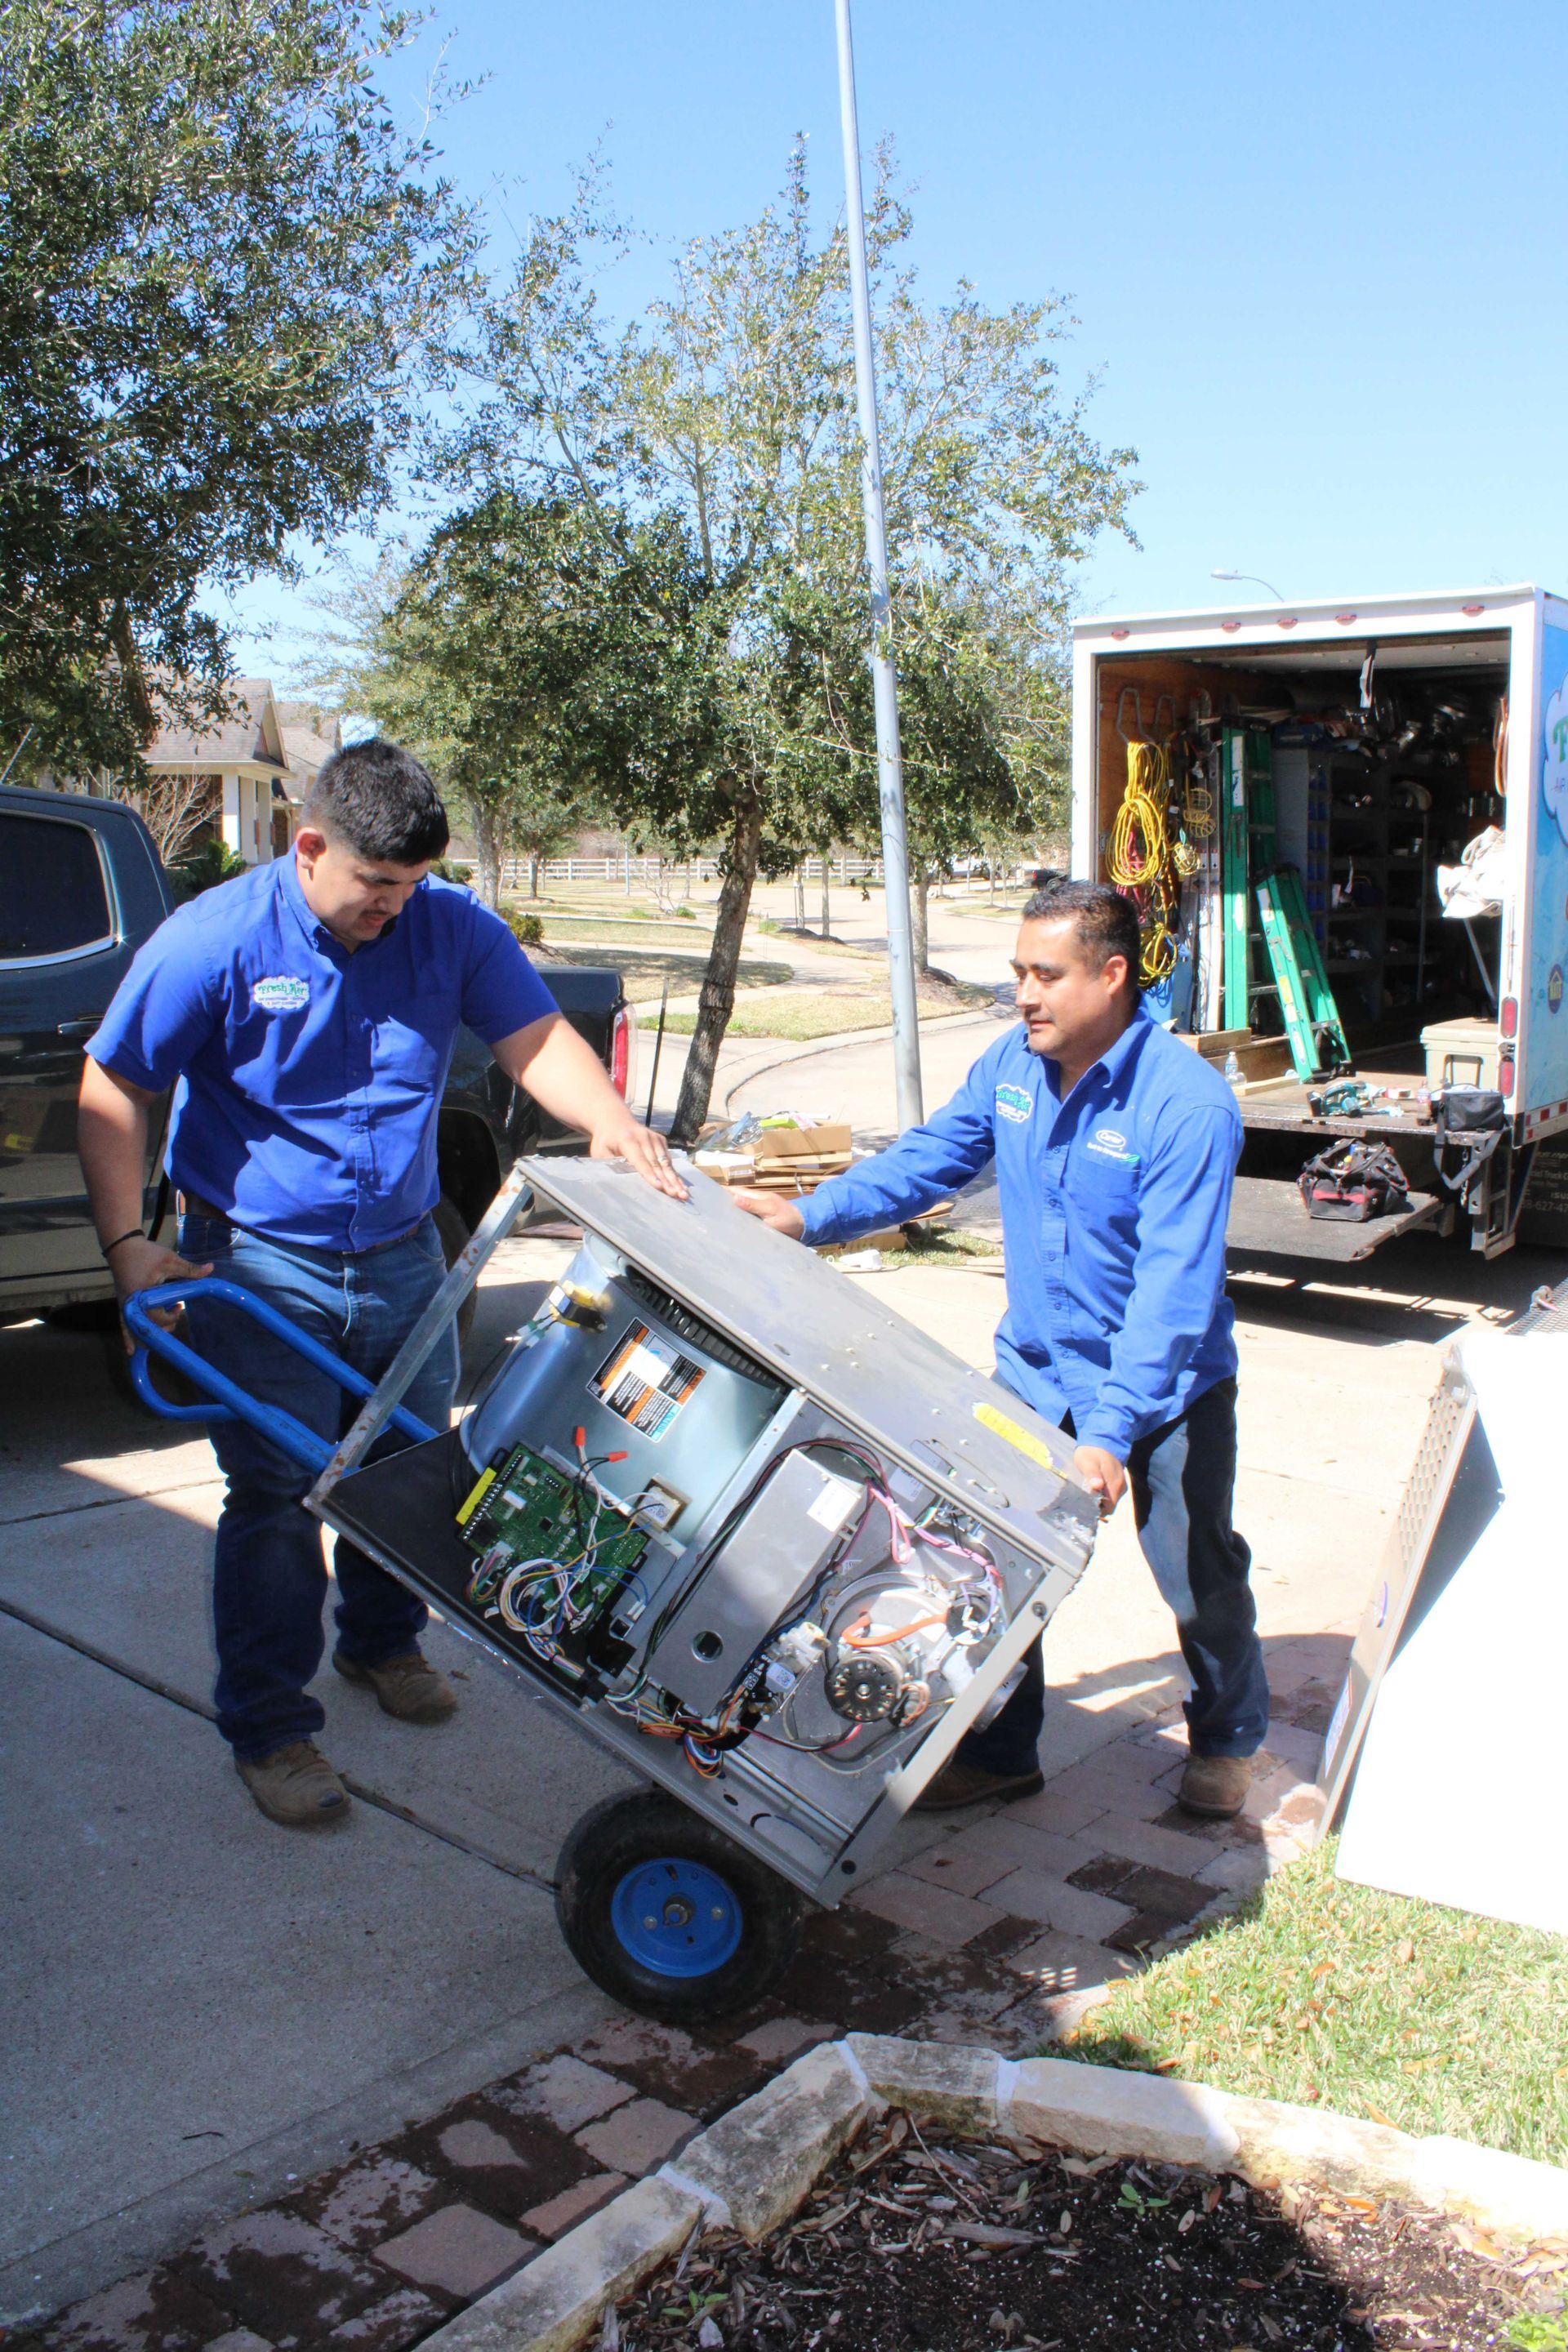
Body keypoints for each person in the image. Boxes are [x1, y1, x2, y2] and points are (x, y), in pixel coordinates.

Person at [79, 739, 685, 1830]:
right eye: (373, 886)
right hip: (258, 1261)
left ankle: (383, 1643)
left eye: (409, 887)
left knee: (408, 1465)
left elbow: (533, 1033)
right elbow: (116, 1082)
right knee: (274, 1494)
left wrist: (610, 1123)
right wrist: (130, 1246)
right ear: (307, 846)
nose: (393, 910)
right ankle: (271, 1728)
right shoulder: (215, 940)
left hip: (405, 1256)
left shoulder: (448, 924)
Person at [735, 879, 1267, 1819]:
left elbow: (1172, 1297)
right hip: (1035, 1371)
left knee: (1197, 1572)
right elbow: (927, 1160)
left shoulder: (1187, 1108)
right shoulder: (1013, 1067)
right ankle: (1004, 1750)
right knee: (981, 1562)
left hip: (1167, 1388)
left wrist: (1107, 1436)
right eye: (1017, 971)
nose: (1022, 993)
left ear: (1112, 975)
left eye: (1044, 975)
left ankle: (1227, 1736)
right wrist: (807, 1214)